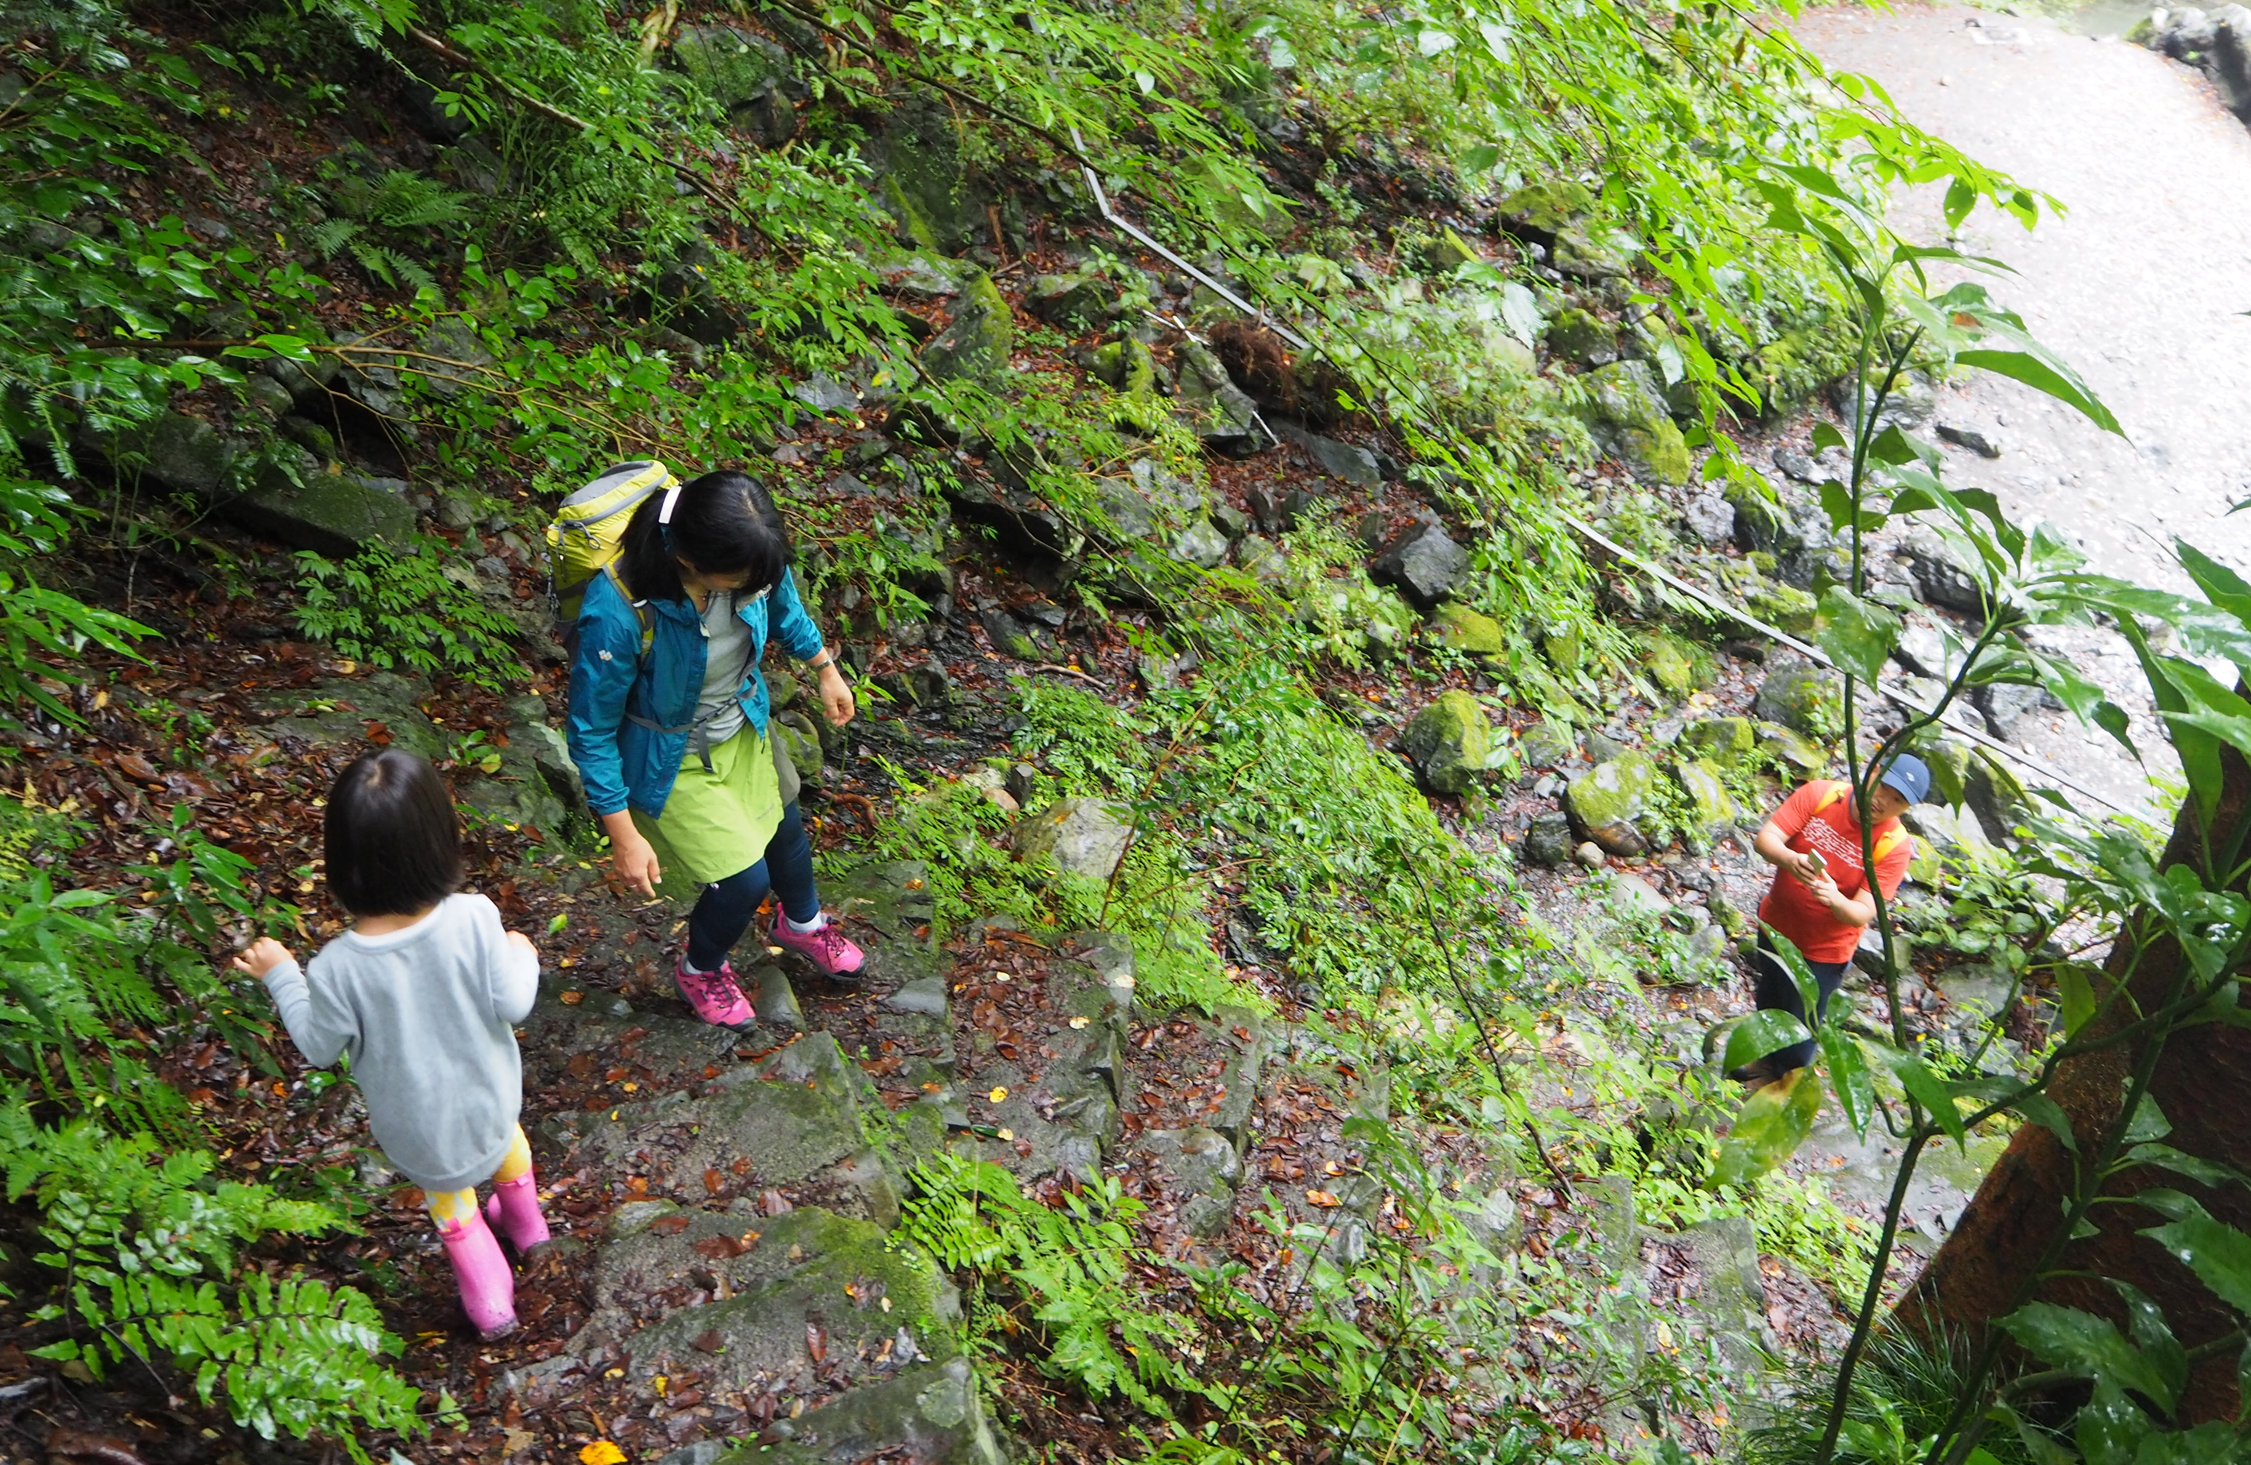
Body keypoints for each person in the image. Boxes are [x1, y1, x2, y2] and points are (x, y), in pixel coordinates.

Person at [232, 749, 548, 1339]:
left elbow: (319, 1047)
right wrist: (522, 954)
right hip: (490, 1101)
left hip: (421, 1133)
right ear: (438, 840)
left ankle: (492, 1308)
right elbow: (514, 1003)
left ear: (342, 861)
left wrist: (281, 974)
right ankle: (532, 1234)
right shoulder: (476, 918)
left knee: (455, 1212)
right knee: (509, 1151)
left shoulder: (335, 969)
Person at [565, 468, 862, 1030]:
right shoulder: (621, 608)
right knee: (743, 880)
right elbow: (591, 729)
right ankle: (700, 968)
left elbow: (784, 608)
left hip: (742, 723)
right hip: (667, 755)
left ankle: (800, 925)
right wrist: (621, 832)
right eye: (737, 581)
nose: (752, 587)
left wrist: (824, 669)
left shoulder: (753, 563)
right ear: (688, 560)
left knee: (785, 826)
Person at [1733, 754, 1932, 1082]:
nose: (1884, 801)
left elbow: (1863, 912)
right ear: (1874, 772)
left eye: (1898, 801)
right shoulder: (1822, 794)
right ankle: (1764, 1063)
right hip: (1776, 925)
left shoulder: (1893, 846)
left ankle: (1789, 1087)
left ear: (1907, 809)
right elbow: (1765, 839)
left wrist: (1835, 900)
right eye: (1884, 787)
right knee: (1769, 998)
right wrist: (1789, 858)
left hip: (1823, 952)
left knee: (1802, 1024)